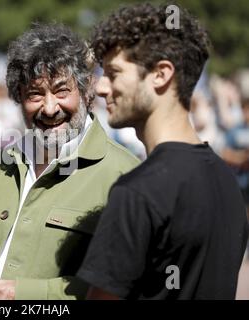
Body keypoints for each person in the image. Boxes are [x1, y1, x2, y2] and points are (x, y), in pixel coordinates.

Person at [0, 23, 140, 300]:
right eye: (34, 94)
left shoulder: (124, 175)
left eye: (61, 92)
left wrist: (24, 295)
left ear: (86, 92)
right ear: (19, 99)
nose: (48, 108)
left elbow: (125, 283)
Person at [77, 3, 249, 299]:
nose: (102, 87)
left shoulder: (138, 191)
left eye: (114, 73)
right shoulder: (226, 180)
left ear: (161, 74)